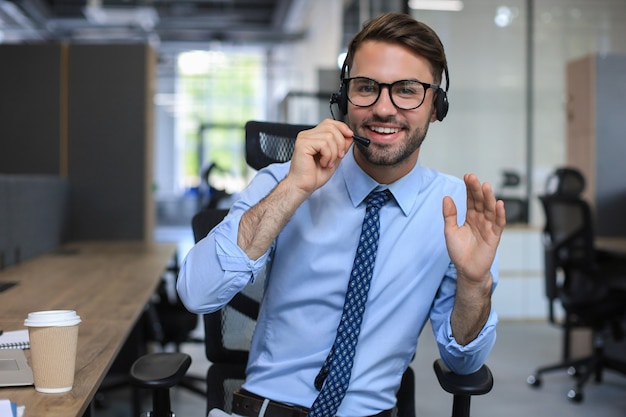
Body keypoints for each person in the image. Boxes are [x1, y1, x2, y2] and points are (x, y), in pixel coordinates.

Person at [177, 12, 506, 417]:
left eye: (407, 90)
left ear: (436, 106)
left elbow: (464, 365)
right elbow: (197, 293)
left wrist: (474, 284)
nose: (384, 108)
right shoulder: (283, 181)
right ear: (344, 99)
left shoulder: (456, 211)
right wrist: (292, 191)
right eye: (367, 87)